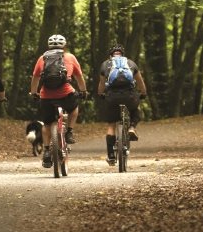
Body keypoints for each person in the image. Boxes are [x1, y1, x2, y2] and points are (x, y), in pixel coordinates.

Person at [29, 34, 88, 168]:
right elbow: (79, 76)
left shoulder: (42, 58)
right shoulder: (70, 57)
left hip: (46, 96)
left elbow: (35, 77)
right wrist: (83, 91)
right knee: (74, 109)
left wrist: (34, 93)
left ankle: (46, 151)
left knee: (47, 124)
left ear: (48, 46)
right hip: (66, 95)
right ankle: (70, 132)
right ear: (64, 45)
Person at [97, 44, 147, 165]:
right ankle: (132, 127)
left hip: (112, 97)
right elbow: (140, 82)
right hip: (129, 96)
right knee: (136, 109)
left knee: (111, 126)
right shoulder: (131, 63)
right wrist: (143, 93)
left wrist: (101, 94)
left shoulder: (105, 65)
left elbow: (102, 84)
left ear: (110, 55)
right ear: (122, 54)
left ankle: (111, 156)